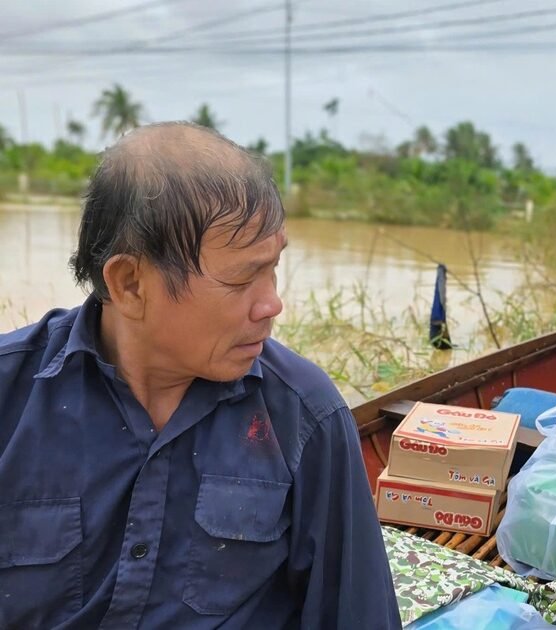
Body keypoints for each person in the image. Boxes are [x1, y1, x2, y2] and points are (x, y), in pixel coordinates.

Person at [0, 122, 403, 629]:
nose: (271, 303)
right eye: (240, 278)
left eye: (273, 267)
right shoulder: (9, 395)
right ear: (129, 284)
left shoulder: (304, 417)